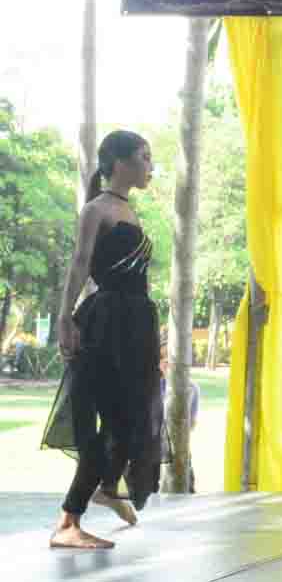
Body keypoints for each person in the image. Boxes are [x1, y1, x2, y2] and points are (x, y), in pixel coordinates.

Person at [43, 131, 161, 550]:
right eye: (145, 157)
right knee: (97, 423)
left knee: (130, 421)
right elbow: (80, 263)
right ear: (120, 162)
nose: (150, 166)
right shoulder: (96, 209)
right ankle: (68, 523)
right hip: (105, 325)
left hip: (134, 326)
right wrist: (64, 318)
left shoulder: (129, 210)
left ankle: (106, 488)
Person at [159, 349, 201, 494]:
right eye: (164, 360)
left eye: (170, 360)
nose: (167, 364)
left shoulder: (192, 388)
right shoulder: (153, 386)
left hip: (179, 445)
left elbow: (191, 423)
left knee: (186, 486)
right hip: (155, 445)